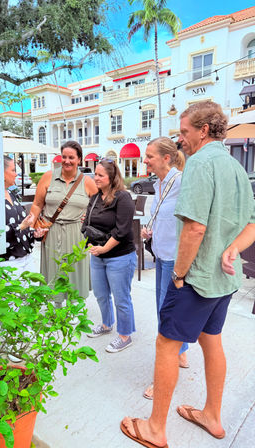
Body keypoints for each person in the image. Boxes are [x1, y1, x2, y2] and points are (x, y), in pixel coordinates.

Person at [121, 101, 255, 448]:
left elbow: (195, 228)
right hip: (224, 280)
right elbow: (251, 224)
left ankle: (155, 428)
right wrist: (232, 248)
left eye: (184, 132)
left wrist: (179, 275)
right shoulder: (237, 168)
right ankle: (212, 415)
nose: (181, 140)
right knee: (212, 342)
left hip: (197, 279)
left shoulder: (198, 165)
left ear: (203, 130)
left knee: (167, 343)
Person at [141, 137, 188, 401]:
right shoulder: (159, 184)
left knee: (166, 316)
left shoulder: (181, 182)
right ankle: (181, 351)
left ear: (166, 158)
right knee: (163, 311)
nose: (145, 160)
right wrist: (151, 230)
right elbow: (166, 218)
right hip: (161, 254)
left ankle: (162, 378)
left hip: (174, 259)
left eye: (149, 156)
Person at [29, 141, 98, 303]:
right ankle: (56, 307)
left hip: (77, 233)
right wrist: (32, 227)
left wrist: (88, 216)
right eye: (64, 157)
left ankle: (74, 309)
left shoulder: (87, 182)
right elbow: (37, 204)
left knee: (75, 269)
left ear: (79, 160)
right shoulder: (48, 177)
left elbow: (99, 206)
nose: (67, 161)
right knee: (54, 268)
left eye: (71, 157)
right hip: (52, 231)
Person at [82, 159, 137, 353]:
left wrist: (104, 248)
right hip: (98, 255)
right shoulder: (96, 197)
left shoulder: (123, 198)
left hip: (119, 256)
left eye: (100, 175)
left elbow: (122, 231)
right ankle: (106, 325)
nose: (95, 178)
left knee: (121, 298)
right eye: (95, 174)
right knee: (101, 294)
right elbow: (88, 220)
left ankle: (125, 335)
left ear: (112, 177)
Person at [0, 156, 46, 277]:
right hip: (8, 262)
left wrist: (35, 234)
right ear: (2, 173)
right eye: (13, 170)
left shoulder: (11, 193)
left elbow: (21, 225)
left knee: (34, 294)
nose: (16, 174)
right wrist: (21, 226)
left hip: (26, 256)